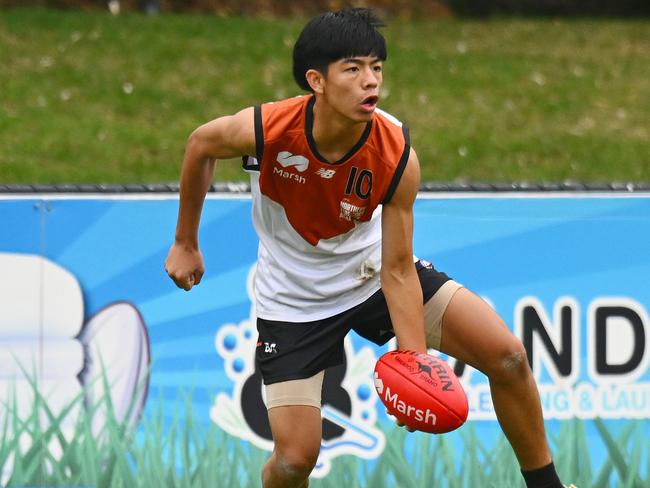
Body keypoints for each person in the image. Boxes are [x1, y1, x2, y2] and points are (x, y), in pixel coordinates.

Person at [165, 8, 572, 488]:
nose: (370, 81)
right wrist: (186, 242)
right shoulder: (267, 129)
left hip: (370, 277)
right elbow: (199, 146)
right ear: (316, 80)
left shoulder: (395, 152)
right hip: (294, 303)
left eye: (377, 68)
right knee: (295, 461)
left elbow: (398, 270)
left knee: (508, 357)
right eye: (353, 68)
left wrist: (415, 365)